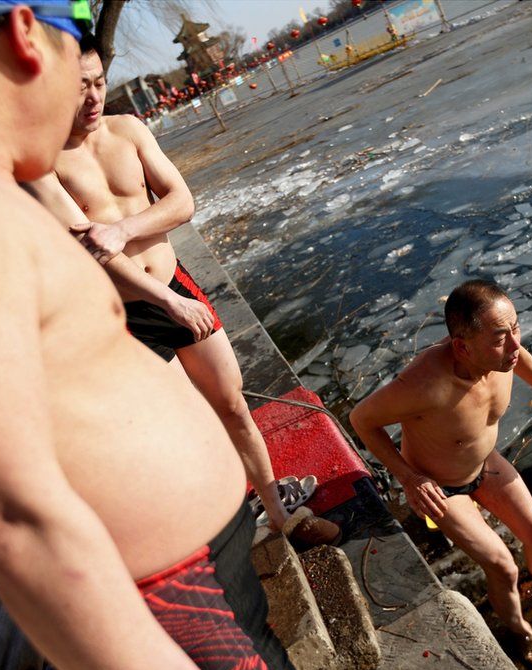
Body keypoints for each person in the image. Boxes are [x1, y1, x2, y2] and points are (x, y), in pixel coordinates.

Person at [0, 2, 296, 670]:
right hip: (171, 594)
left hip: (187, 575)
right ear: (25, 33)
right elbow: (6, 516)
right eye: (78, 60)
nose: (81, 92)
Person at [26, 39, 339, 546]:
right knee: (189, 427)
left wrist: (124, 231)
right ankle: (224, 528)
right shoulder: (42, 163)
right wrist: (164, 299)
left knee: (232, 404)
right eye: (79, 86)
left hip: (177, 284)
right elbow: (90, 250)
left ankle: (281, 513)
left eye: (99, 82)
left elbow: (183, 201)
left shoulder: (128, 130)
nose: (93, 96)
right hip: (125, 314)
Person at [349, 280, 532, 667]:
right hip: (442, 488)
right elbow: (361, 420)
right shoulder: (425, 384)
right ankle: (521, 632)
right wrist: (408, 478)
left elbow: (524, 356)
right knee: (502, 564)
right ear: (463, 346)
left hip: (484, 464)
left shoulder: (504, 355)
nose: (515, 344)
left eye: (515, 328)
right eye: (501, 337)